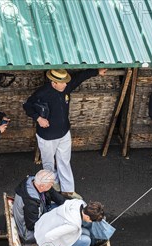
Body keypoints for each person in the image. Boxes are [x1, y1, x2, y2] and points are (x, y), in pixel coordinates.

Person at [23, 68, 107, 200]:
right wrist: (38, 118)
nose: (66, 84)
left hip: (64, 133)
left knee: (65, 161)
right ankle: (53, 184)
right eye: (63, 83)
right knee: (48, 163)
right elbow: (27, 105)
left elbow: (80, 77)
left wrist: (97, 71)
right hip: (47, 136)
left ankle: (68, 190)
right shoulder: (42, 93)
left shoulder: (65, 87)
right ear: (54, 82)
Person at [34, 199, 105, 246]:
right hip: (44, 236)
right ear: (87, 217)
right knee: (86, 241)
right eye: (92, 221)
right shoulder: (73, 225)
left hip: (43, 224)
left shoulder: (78, 203)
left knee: (86, 232)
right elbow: (48, 236)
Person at [13, 169, 65, 243]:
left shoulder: (36, 182)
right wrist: (53, 223)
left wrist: (69, 205)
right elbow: (32, 226)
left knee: (64, 210)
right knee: (61, 228)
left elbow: (54, 195)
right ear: (42, 187)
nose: (52, 184)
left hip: (40, 213)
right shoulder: (30, 204)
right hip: (29, 233)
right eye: (51, 184)